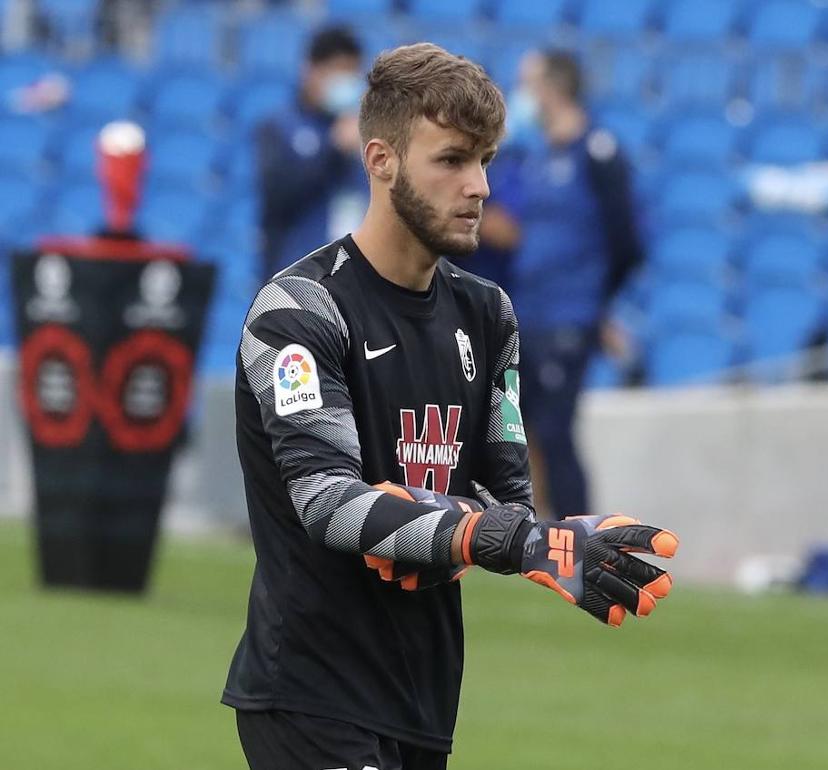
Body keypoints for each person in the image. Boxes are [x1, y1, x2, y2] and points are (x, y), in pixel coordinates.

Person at [222, 44, 678, 770]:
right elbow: (328, 502)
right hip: (310, 693)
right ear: (381, 161)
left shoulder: (489, 313)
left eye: (486, 160)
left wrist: (543, 538)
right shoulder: (299, 310)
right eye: (453, 161)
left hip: (424, 697)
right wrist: (486, 534)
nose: (480, 186)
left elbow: (507, 498)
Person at [480, 49, 643, 520]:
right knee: (520, 433)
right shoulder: (534, 155)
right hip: (529, 313)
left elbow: (628, 243)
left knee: (555, 432)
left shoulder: (598, 153)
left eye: (528, 83)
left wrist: (595, 305)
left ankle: (581, 535)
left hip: (569, 317)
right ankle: (531, 531)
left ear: (553, 88)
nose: (520, 94)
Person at [256, 24, 369, 279]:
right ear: (310, 71)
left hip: (353, 278)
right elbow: (278, 196)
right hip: (295, 275)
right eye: (337, 71)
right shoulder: (279, 127)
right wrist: (333, 150)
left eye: (352, 72)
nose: (346, 82)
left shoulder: (364, 133)